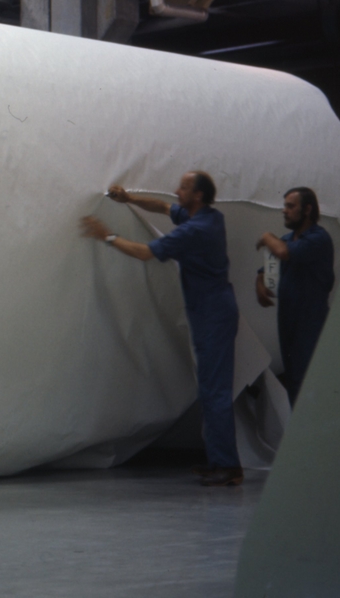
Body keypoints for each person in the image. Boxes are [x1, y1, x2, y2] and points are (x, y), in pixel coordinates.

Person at [80, 171, 243, 486]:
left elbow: (145, 253)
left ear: (198, 195)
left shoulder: (195, 230)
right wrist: (129, 199)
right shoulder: (209, 217)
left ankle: (228, 466)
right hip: (212, 311)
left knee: (215, 391)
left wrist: (106, 236)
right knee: (211, 390)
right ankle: (220, 462)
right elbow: (164, 207)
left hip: (212, 315)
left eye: (184, 187)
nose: (177, 190)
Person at [255, 186, 334, 405]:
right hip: (288, 322)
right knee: (293, 382)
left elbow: (282, 252)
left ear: (307, 210)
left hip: (310, 324)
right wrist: (260, 282)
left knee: (307, 383)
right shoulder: (287, 238)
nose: (284, 210)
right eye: (284, 206)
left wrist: (266, 236)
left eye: (290, 206)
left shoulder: (319, 239)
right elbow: (268, 268)